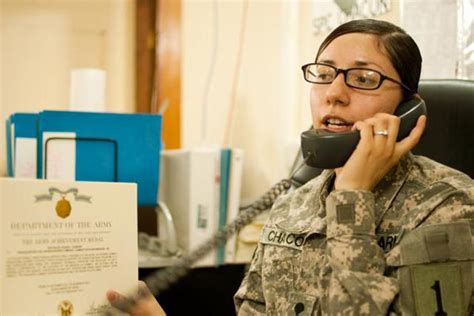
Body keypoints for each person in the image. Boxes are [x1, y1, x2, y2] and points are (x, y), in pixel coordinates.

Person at [107, 19, 473, 315]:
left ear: (407, 109)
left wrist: (352, 198)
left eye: (363, 79)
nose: (334, 92)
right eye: (324, 73)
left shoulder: (449, 206)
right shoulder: (292, 207)